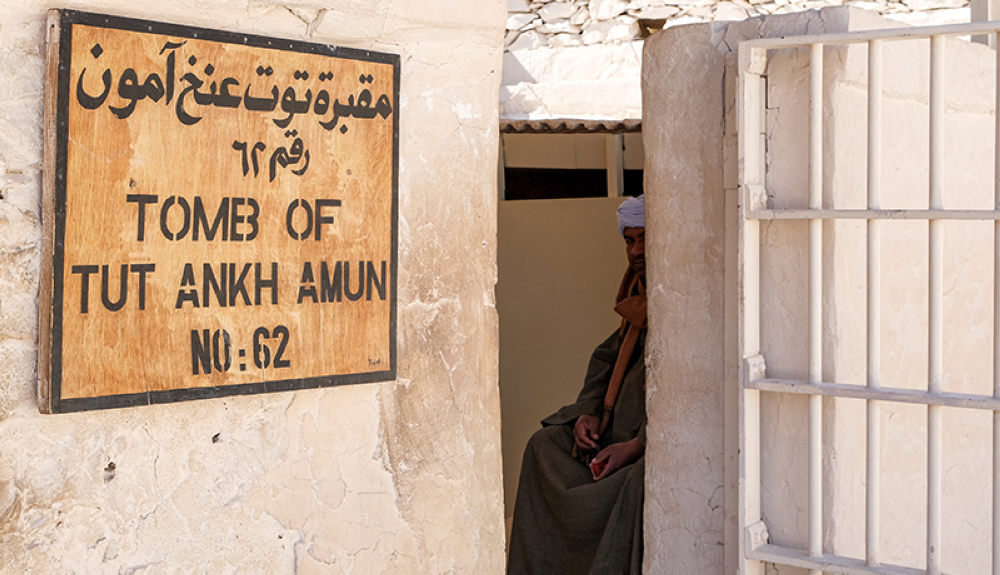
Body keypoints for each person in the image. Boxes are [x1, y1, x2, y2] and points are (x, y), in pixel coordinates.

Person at [507, 195, 647, 575]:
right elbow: (608, 358)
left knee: (637, 483)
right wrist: (588, 412)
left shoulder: (680, 302)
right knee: (543, 447)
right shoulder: (635, 298)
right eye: (629, 241)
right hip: (612, 429)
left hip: (645, 442)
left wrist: (635, 446)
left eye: (643, 239)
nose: (635, 251)